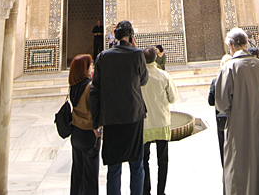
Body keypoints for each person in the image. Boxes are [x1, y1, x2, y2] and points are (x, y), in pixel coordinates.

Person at [215, 28, 259, 195]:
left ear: (230, 46)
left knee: (242, 170)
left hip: (241, 130)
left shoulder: (228, 69)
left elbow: (222, 105)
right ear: (246, 44)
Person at [90, 20, 148, 195]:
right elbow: (144, 80)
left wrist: (95, 121)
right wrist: (136, 48)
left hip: (111, 118)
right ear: (130, 36)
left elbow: (95, 90)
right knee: (137, 165)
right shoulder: (137, 54)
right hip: (133, 117)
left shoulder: (103, 57)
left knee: (114, 168)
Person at [141, 46, 179, 195]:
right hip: (161, 123)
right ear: (156, 58)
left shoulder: (138, 77)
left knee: (144, 160)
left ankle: (146, 191)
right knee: (163, 161)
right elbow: (173, 98)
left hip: (144, 124)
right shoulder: (164, 76)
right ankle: (160, 192)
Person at [69, 54, 101, 195]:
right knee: (90, 175)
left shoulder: (73, 87)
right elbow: (94, 109)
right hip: (89, 134)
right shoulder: (89, 87)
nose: (92, 66)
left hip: (76, 133)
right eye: (90, 64)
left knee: (77, 172)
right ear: (84, 68)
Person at [208, 54, 231, 166]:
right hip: (237, 117)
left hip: (222, 118)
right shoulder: (239, 79)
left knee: (223, 146)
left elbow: (211, 101)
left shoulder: (215, 81)